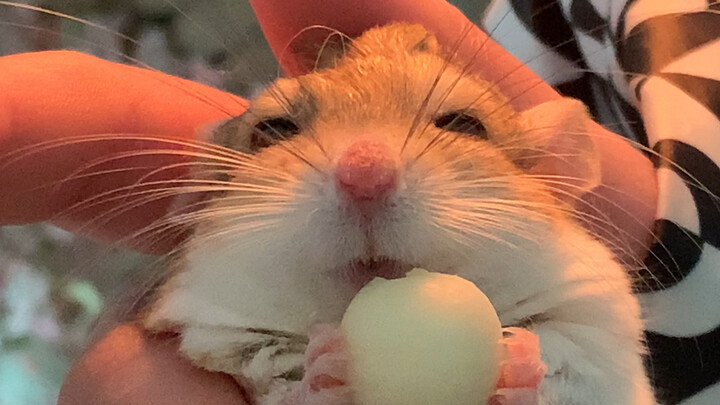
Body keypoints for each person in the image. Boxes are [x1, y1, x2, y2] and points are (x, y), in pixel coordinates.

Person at [0, 0, 659, 404]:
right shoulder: (551, 27)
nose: (364, 171)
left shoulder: (582, 298)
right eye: (279, 132)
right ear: (204, 191)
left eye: (457, 124)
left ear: (559, 169)